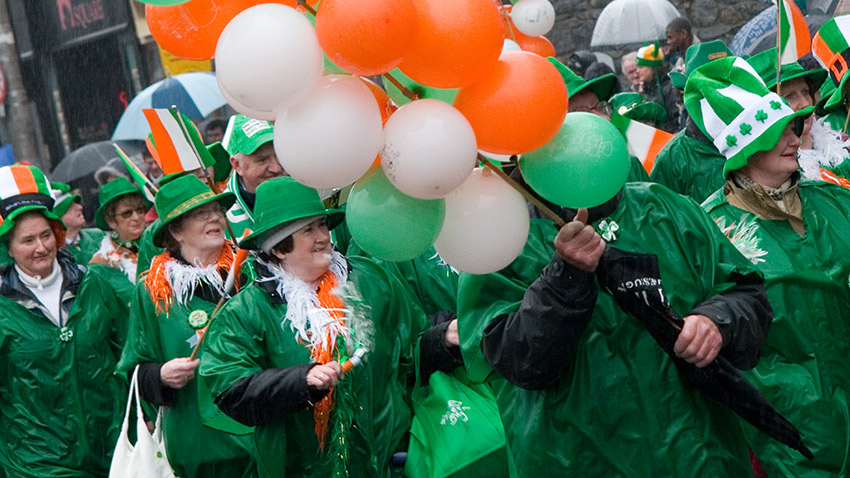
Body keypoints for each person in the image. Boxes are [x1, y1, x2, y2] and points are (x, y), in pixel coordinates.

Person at [457, 112, 773, 474]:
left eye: (593, 115)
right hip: (580, 462)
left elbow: (748, 295)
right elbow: (518, 361)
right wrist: (564, 279)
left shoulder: (667, 208)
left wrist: (716, 322)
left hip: (701, 457)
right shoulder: (501, 242)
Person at [200, 177, 463, 477]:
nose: (323, 237)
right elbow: (229, 388)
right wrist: (301, 380)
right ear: (279, 248)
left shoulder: (371, 279)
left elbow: (410, 349)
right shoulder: (246, 312)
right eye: (307, 230)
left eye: (322, 225)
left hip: (392, 462)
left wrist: (442, 338)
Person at [689, 55, 850, 477]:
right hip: (790, 424)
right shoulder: (710, 231)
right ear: (744, 149)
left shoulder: (832, 198)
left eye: (794, 126)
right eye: (778, 131)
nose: (795, 137)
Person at [118, 175, 256, 478]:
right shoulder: (153, 291)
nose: (215, 218)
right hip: (197, 446)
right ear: (176, 230)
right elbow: (132, 369)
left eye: (216, 210)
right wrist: (160, 375)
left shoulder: (250, 272)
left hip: (257, 440)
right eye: (199, 214)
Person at [0, 165, 128, 477]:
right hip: (34, 463)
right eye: (27, 240)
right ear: (9, 248)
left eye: (46, 235)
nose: (41, 247)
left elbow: (131, 352)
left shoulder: (96, 283)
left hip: (113, 454)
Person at [649, 40, 733, 203]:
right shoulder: (673, 158)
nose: (720, 95)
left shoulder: (761, 137)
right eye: (709, 87)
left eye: (729, 85)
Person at [549, 57, 650, 182]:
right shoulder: (543, 190)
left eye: (600, 107)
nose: (606, 118)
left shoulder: (630, 163)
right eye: (584, 113)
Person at [222, 114, 286, 239]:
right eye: (262, 160)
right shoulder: (222, 220)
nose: (276, 168)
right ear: (237, 165)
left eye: (279, 155)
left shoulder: (309, 191)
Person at [90, 177, 149, 282]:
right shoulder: (101, 263)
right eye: (127, 213)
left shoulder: (159, 246)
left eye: (140, 210)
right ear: (111, 221)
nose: (136, 217)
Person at [51, 181, 105, 264]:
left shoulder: (99, 236)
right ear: (58, 216)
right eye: (71, 207)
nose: (80, 207)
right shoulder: (54, 253)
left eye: (77, 203)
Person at [636, 42, 679, 132]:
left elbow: (673, 119)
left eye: (641, 67)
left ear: (652, 68)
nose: (637, 71)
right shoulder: (646, 88)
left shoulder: (670, 87)